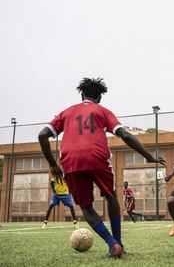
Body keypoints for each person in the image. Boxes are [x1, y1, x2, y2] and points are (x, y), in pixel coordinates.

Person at [38, 78, 165, 258]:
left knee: (86, 206)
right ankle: (118, 241)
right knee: (110, 195)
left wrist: (53, 165)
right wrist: (149, 157)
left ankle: (111, 243)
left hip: (71, 161)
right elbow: (125, 135)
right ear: (99, 97)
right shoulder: (103, 111)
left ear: (82, 94)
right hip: (98, 157)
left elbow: (42, 135)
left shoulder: (66, 113)